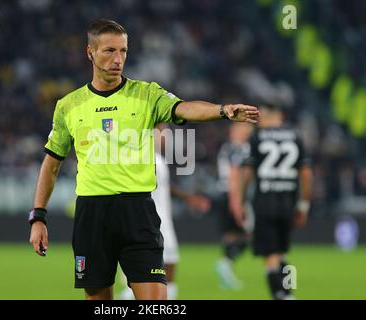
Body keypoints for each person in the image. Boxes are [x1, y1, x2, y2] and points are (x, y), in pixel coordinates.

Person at [28, 19, 259, 300]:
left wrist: (222, 111)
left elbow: (185, 108)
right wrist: (38, 217)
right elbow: (51, 165)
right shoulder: (68, 106)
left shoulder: (147, 94)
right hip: (92, 213)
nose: (118, 59)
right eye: (110, 51)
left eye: (123, 51)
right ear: (90, 52)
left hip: (138, 213)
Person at [118, 123, 211, 300]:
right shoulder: (140, 157)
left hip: (162, 222)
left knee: (167, 273)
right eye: (163, 131)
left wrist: (188, 198)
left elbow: (164, 187)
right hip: (151, 223)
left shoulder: (156, 159)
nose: (166, 136)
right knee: (157, 275)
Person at [234, 104, 312, 300]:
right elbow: (306, 173)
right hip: (288, 202)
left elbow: (247, 173)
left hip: (264, 202)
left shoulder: (257, 137)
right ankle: (288, 292)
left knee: (271, 255)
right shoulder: (296, 136)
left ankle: (280, 295)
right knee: (282, 252)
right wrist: (304, 204)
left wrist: (242, 202)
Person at [213, 122, 252, 290]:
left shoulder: (227, 148)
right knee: (249, 234)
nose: (248, 131)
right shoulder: (238, 149)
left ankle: (226, 274)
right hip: (233, 194)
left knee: (232, 235)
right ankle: (225, 264)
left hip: (226, 192)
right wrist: (237, 201)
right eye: (244, 128)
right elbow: (236, 175)